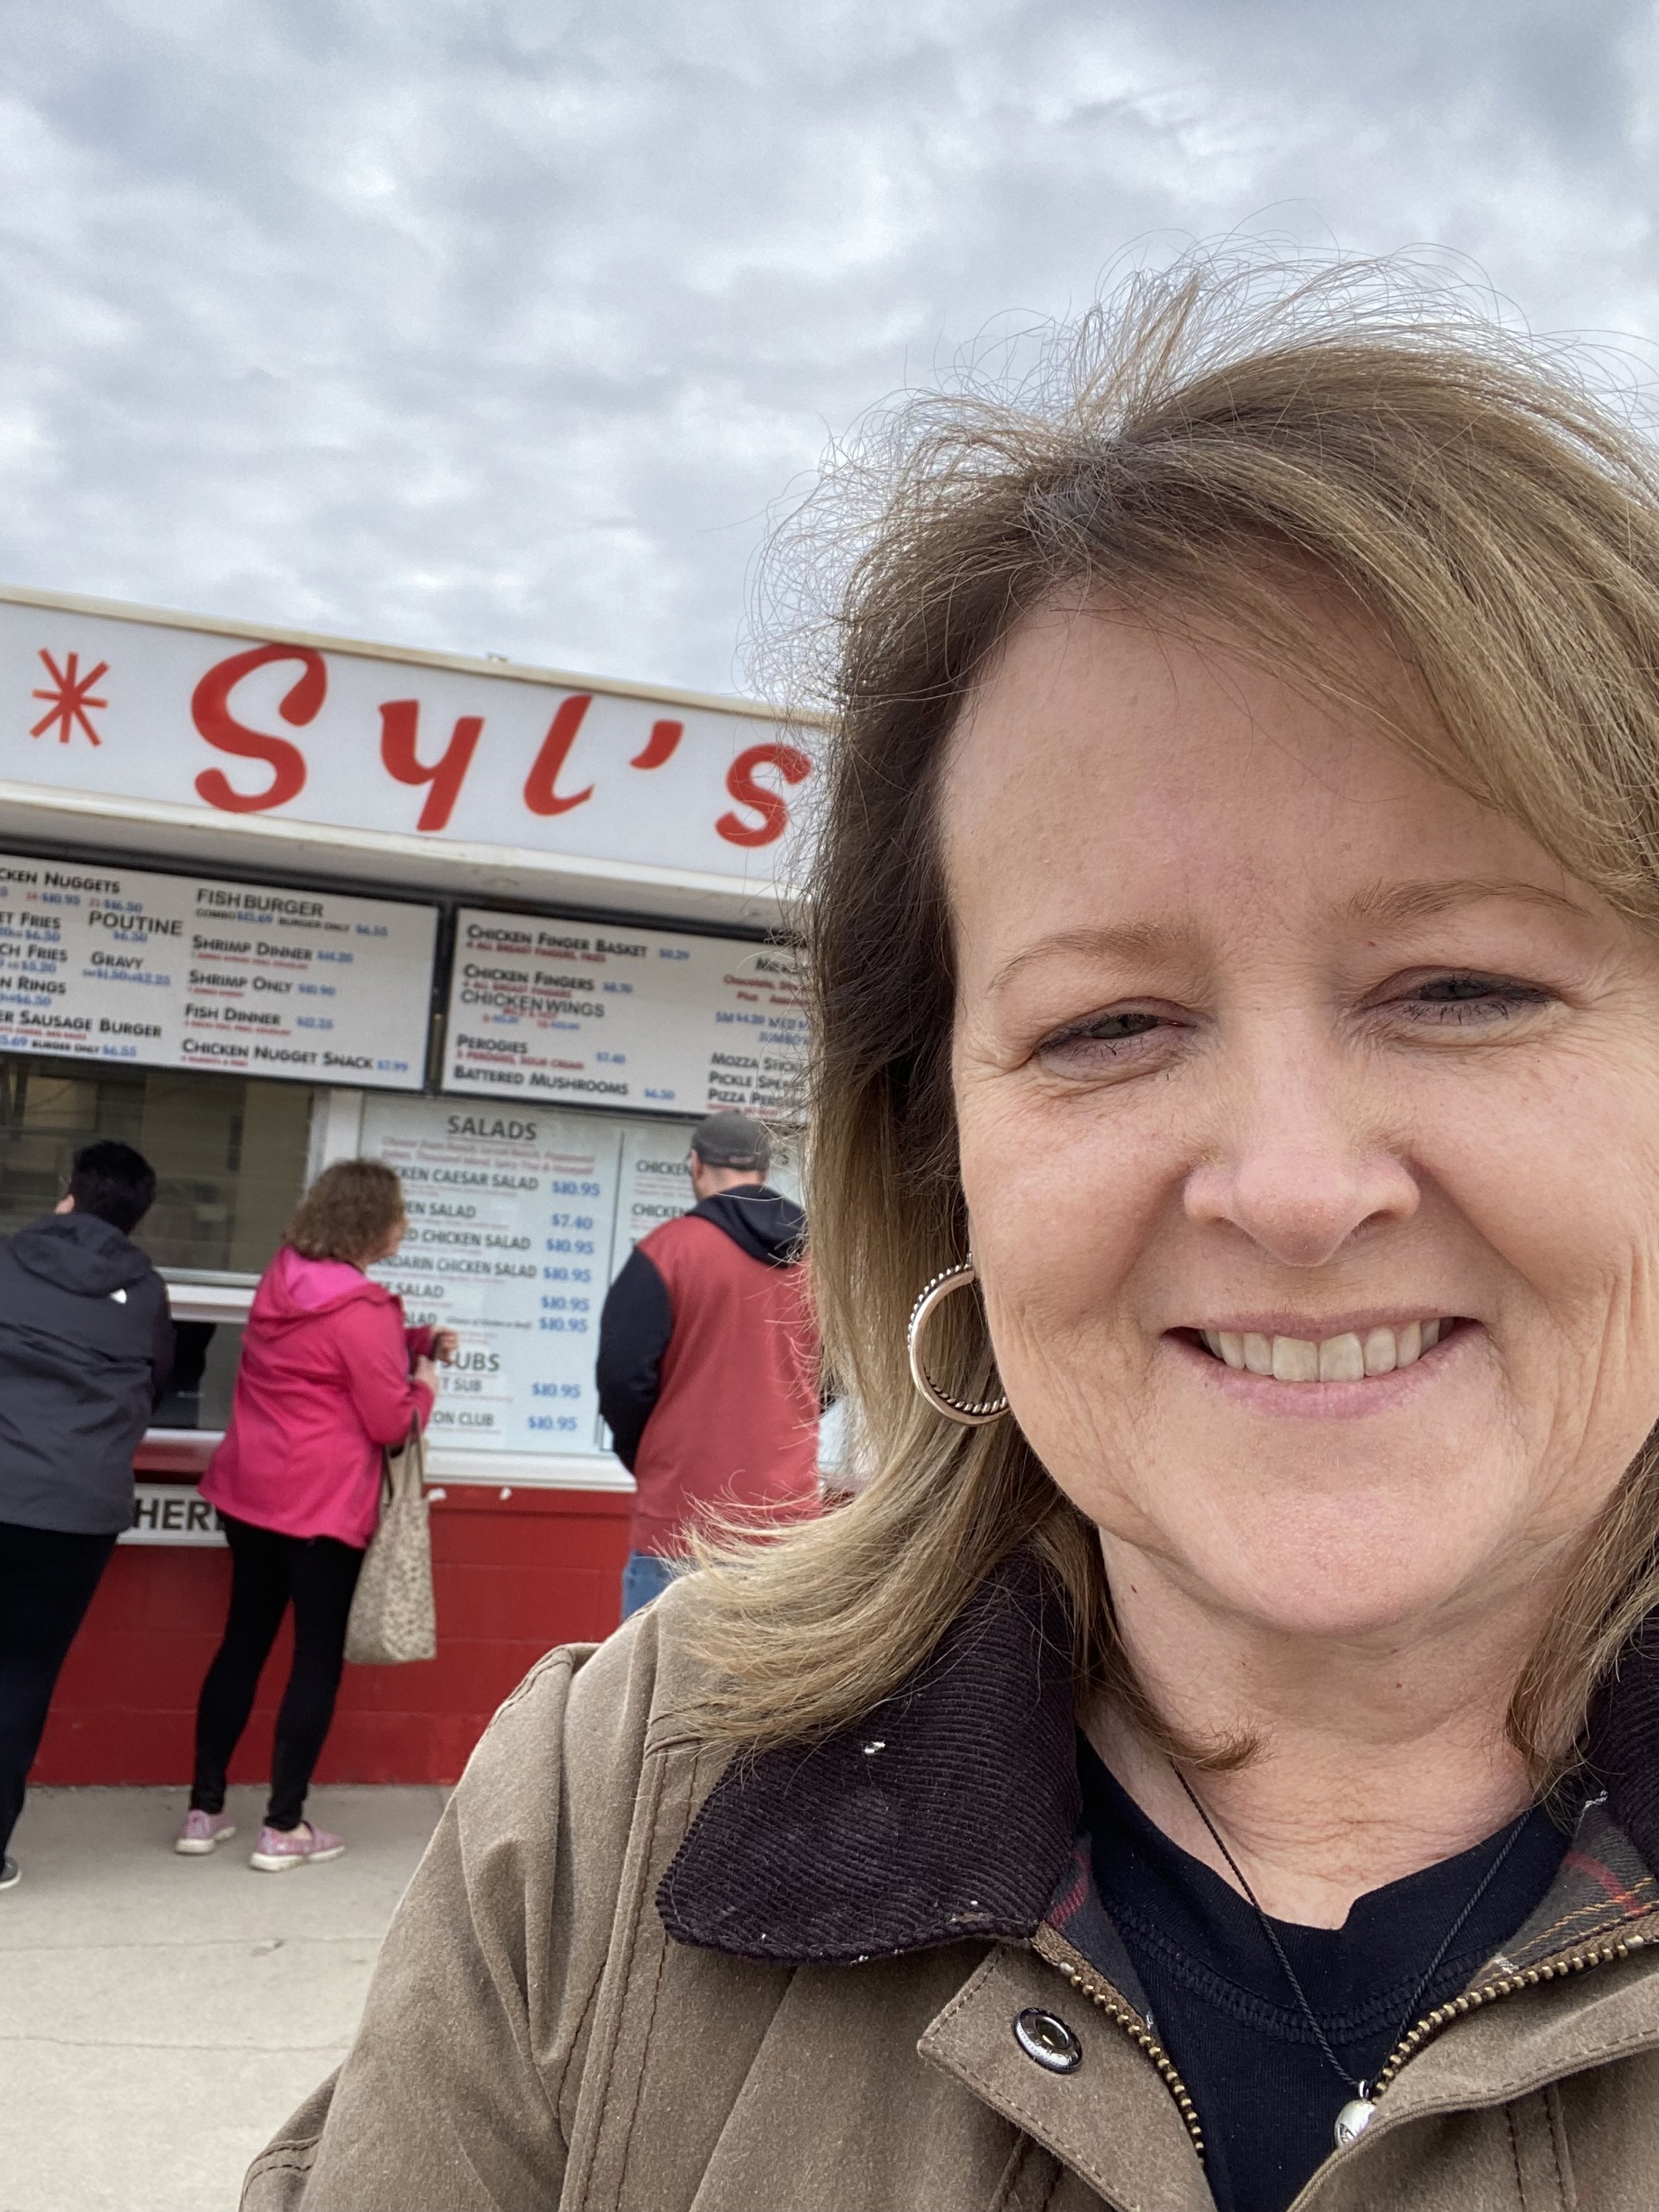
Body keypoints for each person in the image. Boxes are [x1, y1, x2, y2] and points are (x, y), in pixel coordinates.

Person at [246, 260, 1659, 2211]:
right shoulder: (605, 1811)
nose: (1289, 1185)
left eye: (1459, 985)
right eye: (1106, 1025)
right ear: (943, 1158)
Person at [177, 1159, 453, 1872]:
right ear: (370, 1224)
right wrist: (424, 1385)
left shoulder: (282, 1275)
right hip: (322, 1510)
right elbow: (390, 1421)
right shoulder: (362, 1309)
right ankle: (284, 1826)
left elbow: (319, 1355)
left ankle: (204, 1811)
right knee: (314, 1660)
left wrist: (413, 1339)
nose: (406, 1223)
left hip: (249, 1493)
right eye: (397, 1213)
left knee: (242, 1643)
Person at [0, 1140, 173, 1891]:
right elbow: (157, 1384)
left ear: (68, 1193)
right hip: (76, 1510)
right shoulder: (146, 1289)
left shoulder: (8, 1259)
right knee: (24, 1676)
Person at [596, 1110, 820, 1620]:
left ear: (695, 1166)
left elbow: (620, 1377)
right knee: (771, 1697)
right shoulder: (819, 1259)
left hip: (679, 1522)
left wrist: (652, 1454)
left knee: (655, 1694)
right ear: (764, 1171)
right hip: (785, 1526)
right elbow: (839, 1374)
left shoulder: (666, 1253)